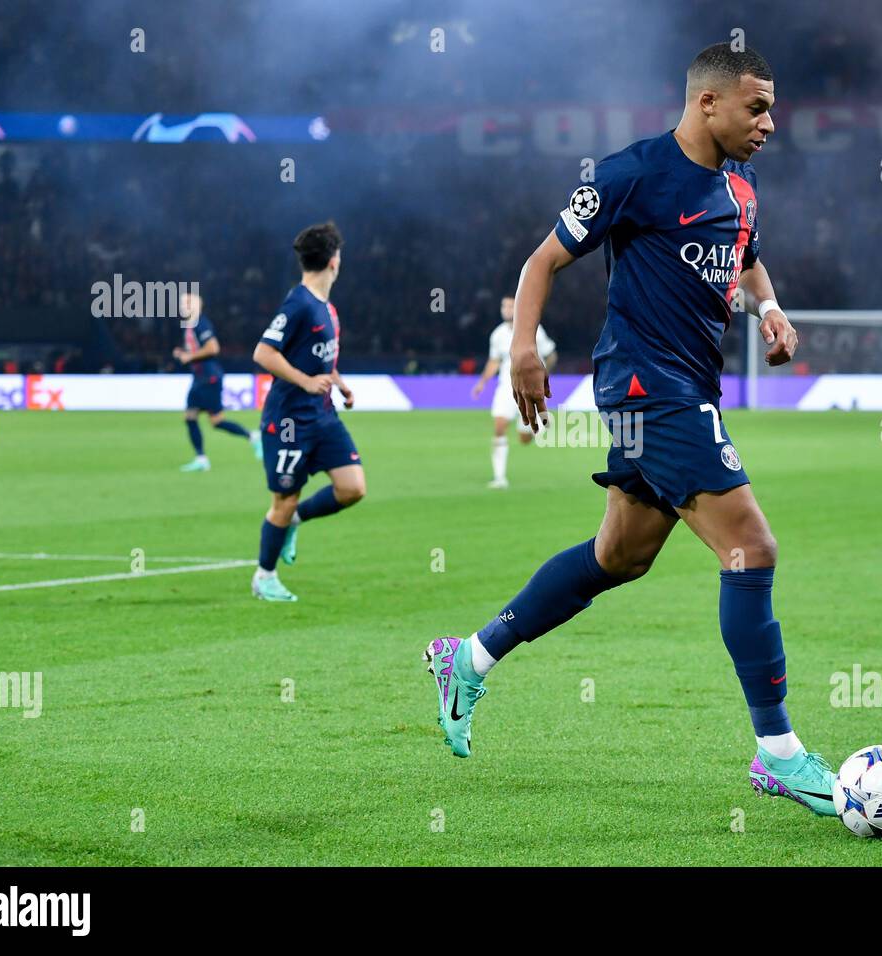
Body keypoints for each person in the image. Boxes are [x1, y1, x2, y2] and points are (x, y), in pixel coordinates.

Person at [424, 44, 835, 816]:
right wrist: (522, 351)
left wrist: (769, 308)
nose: (770, 123)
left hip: (685, 388)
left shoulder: (741, 190)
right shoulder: (631, 174)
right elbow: (541, 262)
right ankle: (777, 753)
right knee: (751, 548)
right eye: (758, 107)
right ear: (708, 103)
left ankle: (468, 658)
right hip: (649, 389)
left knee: (620, 556)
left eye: (772, 108)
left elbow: (747, 259)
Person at [249, 222, 365, 602]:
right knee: (283, 500)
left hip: (323, 415)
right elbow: (263, 353)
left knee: (352, 488)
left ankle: (296, 521)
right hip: (287, 421)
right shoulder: (298, 303)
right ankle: (264, 577)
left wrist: (339, 382)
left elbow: (320, 360)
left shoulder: (327, 309)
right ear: (335, 261)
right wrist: (303, 380)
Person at [470, 294, 557, 488]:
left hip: (527, 389)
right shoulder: (498, 334)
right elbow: (494, 361)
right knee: (499, 427)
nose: (506, 310)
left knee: (524, 438)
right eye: (504, 307)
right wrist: (482, 383)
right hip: (505, 388)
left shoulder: (534, 330)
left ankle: (539, 424)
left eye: (510, 307)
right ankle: (499, 477)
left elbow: (551, 355)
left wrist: (542, 377)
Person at [174, 292, 261, 471]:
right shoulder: (190, 325)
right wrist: (183, 354)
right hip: (200, 378)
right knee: (193, 417)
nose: (183, 306)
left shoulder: (200, 323)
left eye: (187, 302)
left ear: (197, 305)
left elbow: (213, 348)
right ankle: (202, 458)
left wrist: (189, 356)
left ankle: (252, 437)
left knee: (214, 420)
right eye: (182, 303)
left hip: (209, 378)